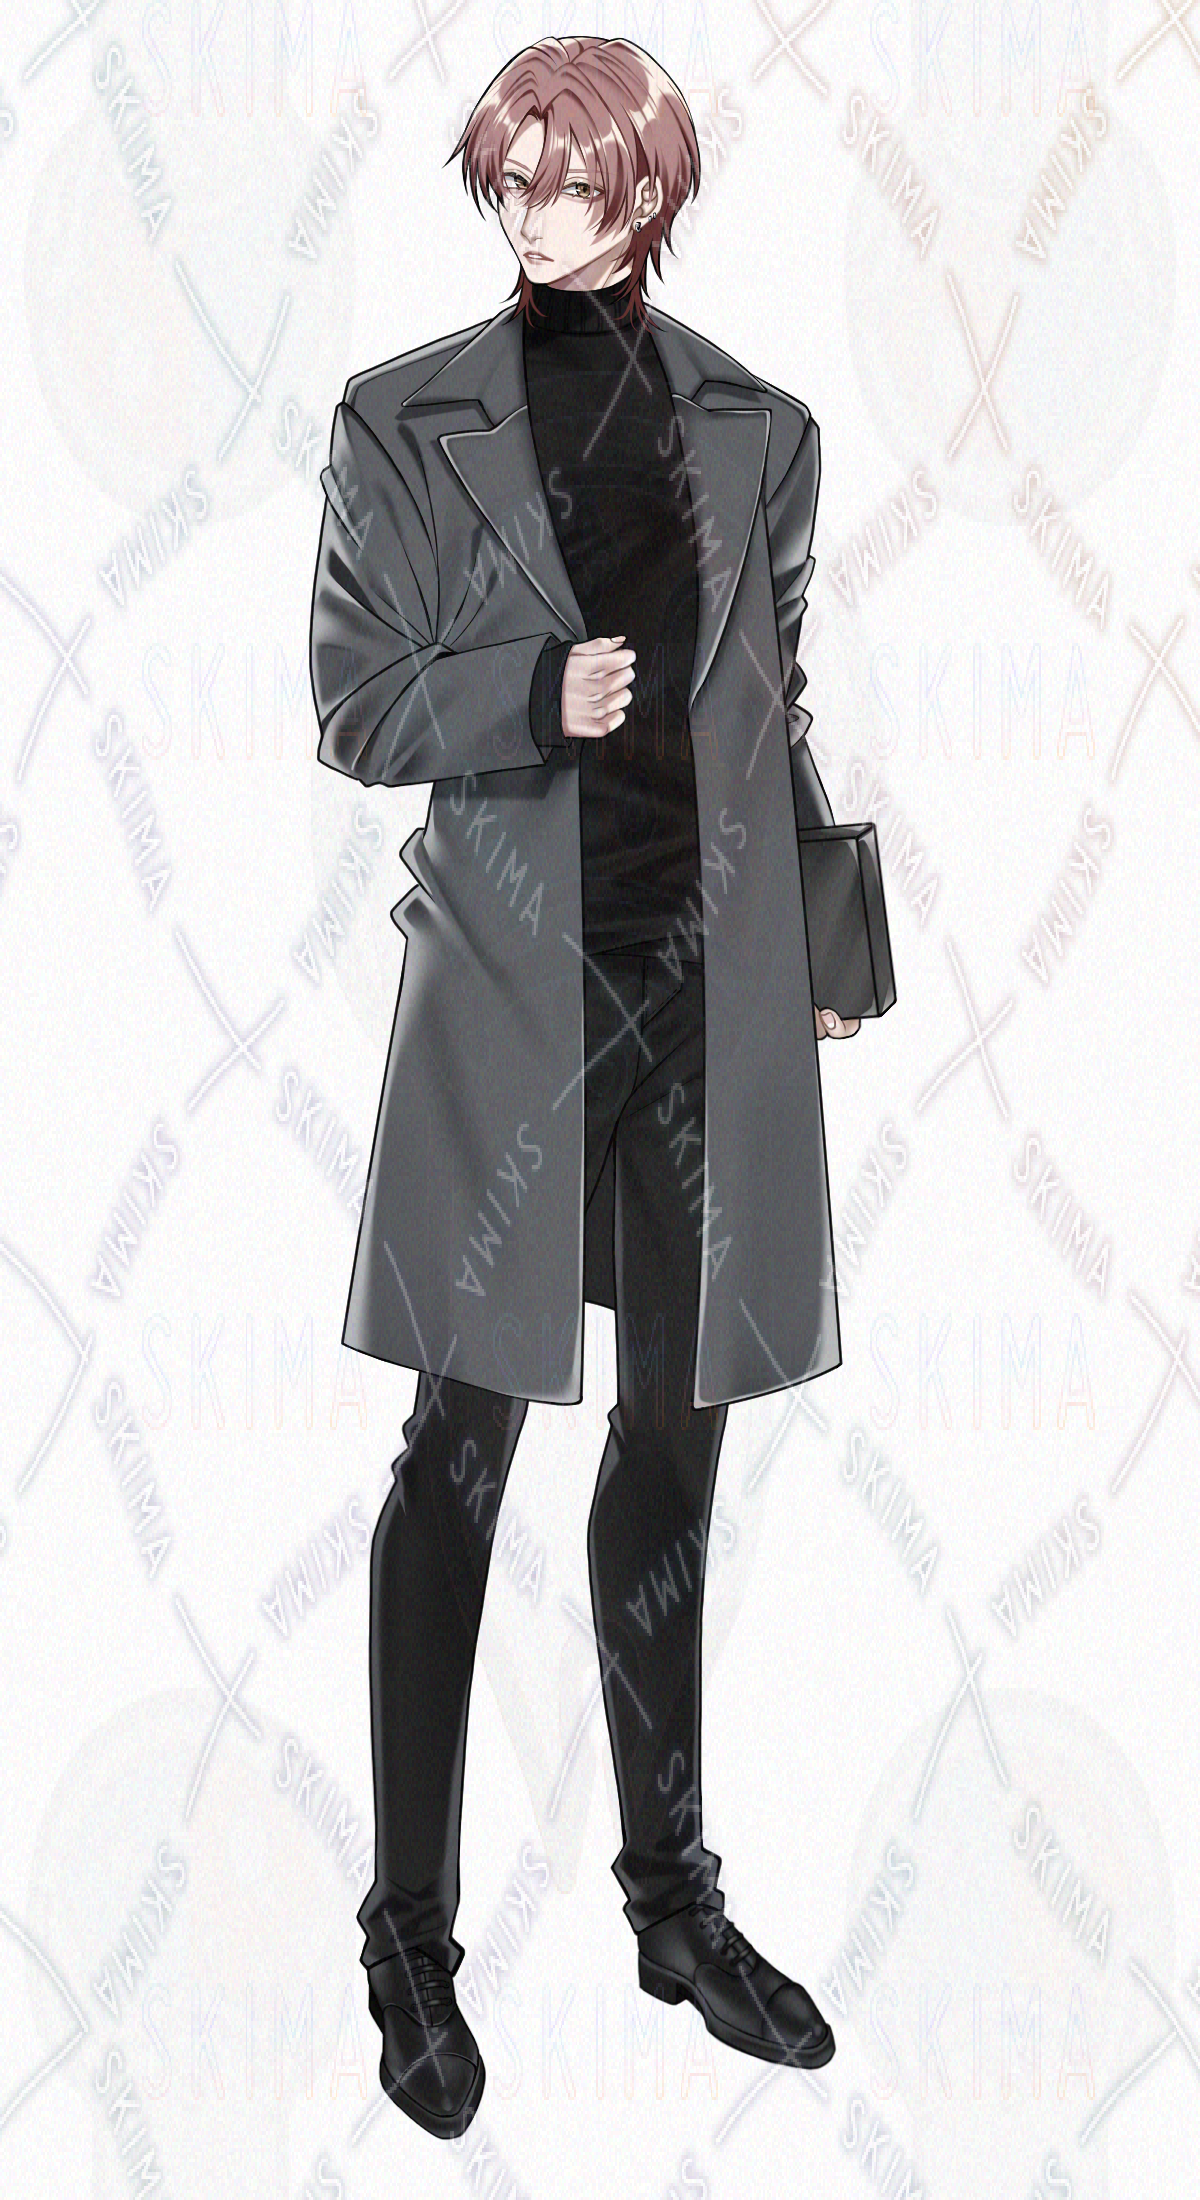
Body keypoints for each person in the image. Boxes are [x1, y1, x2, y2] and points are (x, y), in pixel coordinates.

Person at [309, 30, 885, 2142]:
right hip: (509, 1014)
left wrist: (834, 957)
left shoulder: (759, 430)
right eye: (509, 182)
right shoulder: (404, 419)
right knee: (460, 1452)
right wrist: (530, 690)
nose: (534, 215)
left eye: (571, 181)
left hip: (706, 1003)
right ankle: (408, 1927)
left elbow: (787, 717)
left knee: (672, 1454)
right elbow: (356, 704)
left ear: (647, 192)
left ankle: (669, 1899)